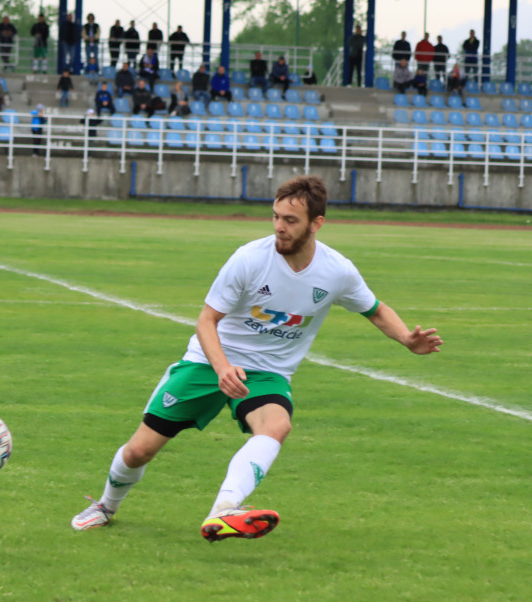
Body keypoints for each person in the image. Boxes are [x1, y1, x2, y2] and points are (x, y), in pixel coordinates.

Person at [70, 175, 443, 542]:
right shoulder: (250, 259)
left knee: (276, 426)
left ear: (317, 224)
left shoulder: (336, 271)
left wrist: (406, 339)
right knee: (139, 451)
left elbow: (375, 309)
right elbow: (207, 320)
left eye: (290, 220)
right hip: (208, 361)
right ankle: (106, 505)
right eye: (276, 217)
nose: (280, 227)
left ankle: (224, 510)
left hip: (268, 373)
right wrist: (221, 368)